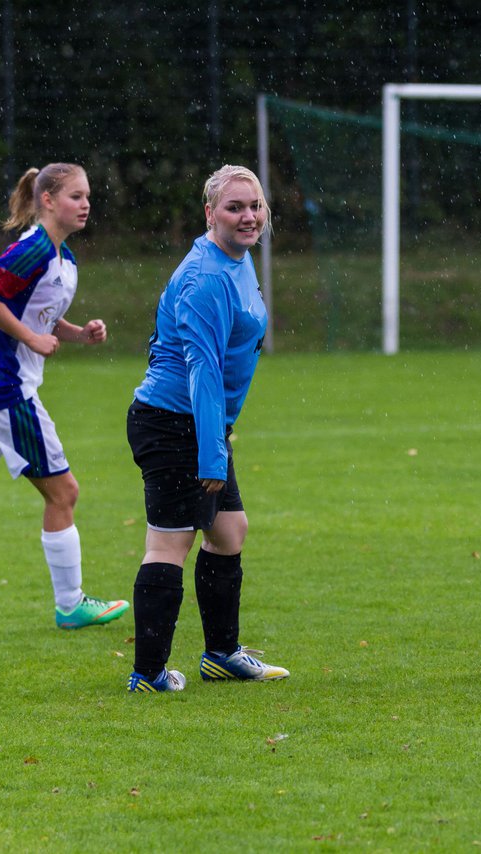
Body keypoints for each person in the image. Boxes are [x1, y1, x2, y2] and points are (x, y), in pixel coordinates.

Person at [124, 165, 288, 693]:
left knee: (229, 531)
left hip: (202, 423)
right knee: (169, 543)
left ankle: (220, 654)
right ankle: (147, 673)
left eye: (255, 206)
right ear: (209, 213)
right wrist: (212, 454)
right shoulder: (206, 277)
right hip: (176, 423)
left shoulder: (236, 261)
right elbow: (202, 368)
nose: (248, 216)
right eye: (235, 207)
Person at [0, 163, 130, 630]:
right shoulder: (31, 250)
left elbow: (41, 316)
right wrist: (30, 340)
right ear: (47, 200)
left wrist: (79, 333)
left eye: (88, 195)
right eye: (75, 195)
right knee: (64, 491)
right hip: (7, 389)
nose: (86, 203)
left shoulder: (63, 258)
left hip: (6, 386)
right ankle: (70, 603)